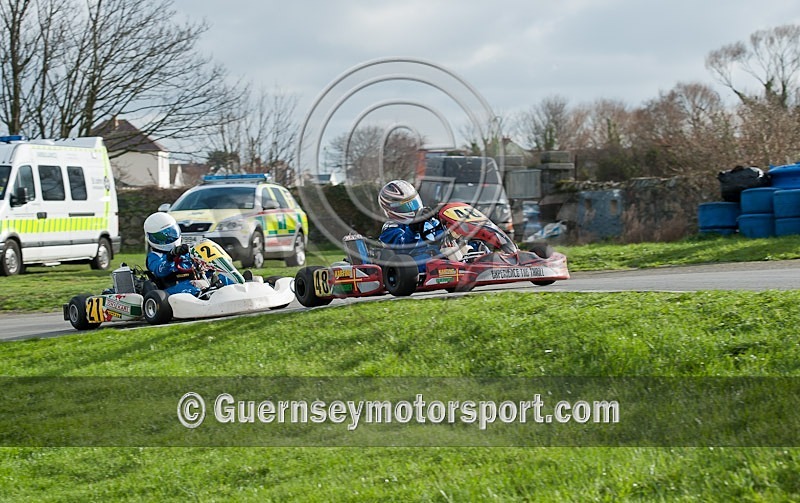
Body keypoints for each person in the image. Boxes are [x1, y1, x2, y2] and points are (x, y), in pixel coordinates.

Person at [377, 180, 445, 270]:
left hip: (437, 254)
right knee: (430, 259)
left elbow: (439, 237)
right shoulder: (390, 228)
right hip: (410, 265)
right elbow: (403, 248)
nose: (414, 209)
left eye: (414, 203)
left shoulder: (427, 220)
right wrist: (412, 229)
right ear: (392, 210)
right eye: (406, 206)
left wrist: (442, 221)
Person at [144, 212, 216, 295]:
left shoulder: (185, 251)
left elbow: (199, 270)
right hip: (171, 289)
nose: (169, 238)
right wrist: (171, 256)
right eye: (162, 237)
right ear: (152, 237)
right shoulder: (153, 256)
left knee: (224, 279)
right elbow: (160, 271)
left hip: (197, 282)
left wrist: (209, 268)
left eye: (171, 233)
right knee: (193, 288)